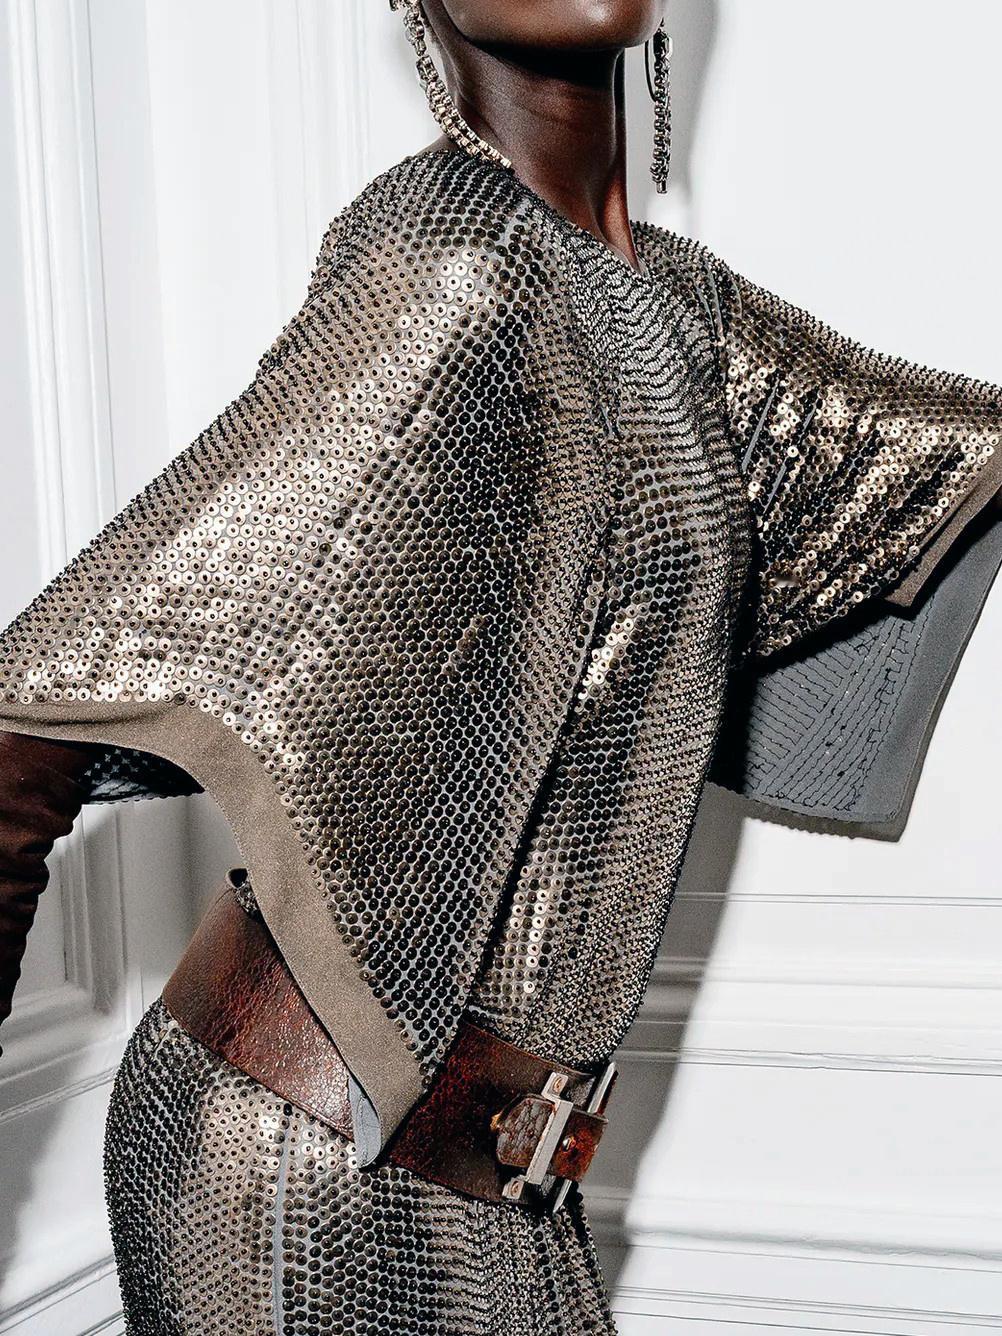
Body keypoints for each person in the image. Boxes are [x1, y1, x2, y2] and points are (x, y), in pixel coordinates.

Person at [0, 1, 999, 1332]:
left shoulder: (677, 305)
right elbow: (33, 723)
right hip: (306, 1175)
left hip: (498, 1181)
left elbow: (929, 454)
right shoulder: (449, 264)